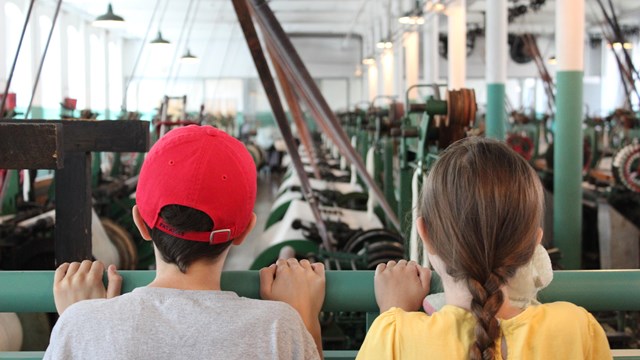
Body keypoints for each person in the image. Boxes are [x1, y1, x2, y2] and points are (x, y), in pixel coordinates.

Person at [44, 125, 325, 360]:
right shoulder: (280, 329)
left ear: (140, 222)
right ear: (244, 231)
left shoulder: (80, 326)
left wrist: (83, 321)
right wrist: (305, 320)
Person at [357, 137, 611, 360]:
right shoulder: (578, 329)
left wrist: (391, 311)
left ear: (426, 234)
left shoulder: (394, 337)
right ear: (534, 242)